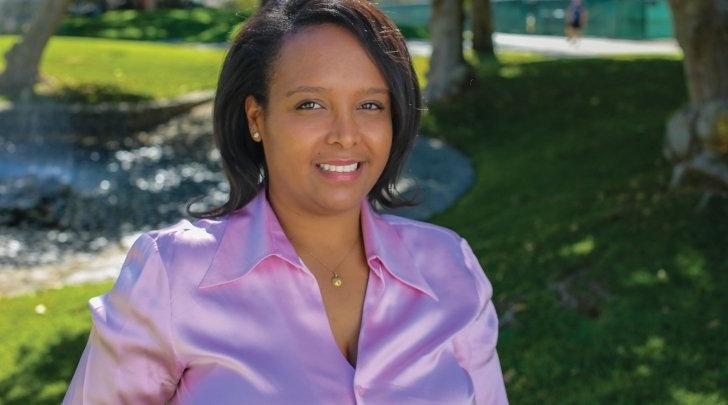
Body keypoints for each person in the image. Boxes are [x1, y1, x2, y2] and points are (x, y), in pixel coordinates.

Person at [63, 0, 508, 403]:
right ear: (257, 117)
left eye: (371, 105)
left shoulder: (453, 268)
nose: (345, 134)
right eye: (311, 104)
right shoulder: (172, 275)